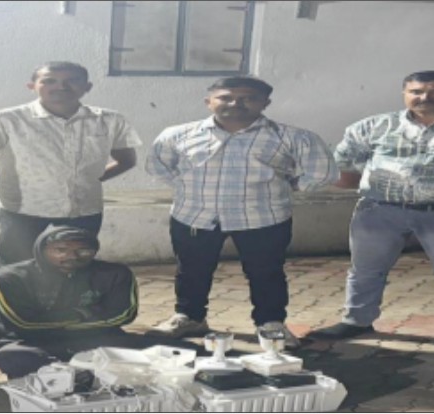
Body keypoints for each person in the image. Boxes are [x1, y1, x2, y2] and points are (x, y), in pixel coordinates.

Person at [309, 71, 434, 358]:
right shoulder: (374, 126)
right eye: (416, 91)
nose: (425, 97)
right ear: (405, 93)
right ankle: (356, 321)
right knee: (365, 271)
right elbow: (340, 167)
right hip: (379, 212)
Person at [145, 76, 339, 346]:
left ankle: (270, 323)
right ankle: (189, 317)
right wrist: (188, 186)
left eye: (248, 98)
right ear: (208, 101)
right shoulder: (177, 135)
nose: (235, 103)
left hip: (263, 217)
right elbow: (158, 167)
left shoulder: (292, 137)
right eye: (225, 97)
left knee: (266, 273)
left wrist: (292, 185)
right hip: (194, 215)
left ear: (265, 103)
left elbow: (323, 172)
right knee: (191, 270)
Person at [0, 61, 141, 348]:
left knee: (77, 264)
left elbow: (127, 160)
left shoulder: (108, 120)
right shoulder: (5, 119)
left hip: (82, 210)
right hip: (24, 210)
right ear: (32, 85)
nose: (61, 87)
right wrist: (12, 186)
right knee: (11, 267)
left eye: (71, 80)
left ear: (86, 87)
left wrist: (91, 180)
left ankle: (75, 321)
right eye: (50, 80)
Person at [0, 226, 142, 379]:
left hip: (93, 339)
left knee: (153, 346)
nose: (72, 257)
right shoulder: (7, 278)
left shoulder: (115, 273)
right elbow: (22, 323)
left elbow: (124, 315)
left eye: (84, 251)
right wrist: (83, 313)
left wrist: (48, 319)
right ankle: (73, 375)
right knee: (12, 356)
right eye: (60, 250)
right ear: (41, 250)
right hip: (32, 342)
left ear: (94, 251)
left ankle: (70, 373)